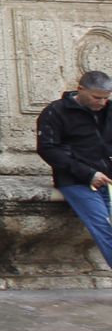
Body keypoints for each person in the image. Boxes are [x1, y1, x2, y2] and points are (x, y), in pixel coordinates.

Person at [36, 71, 112, 269]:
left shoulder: (108, 110)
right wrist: (88, 174)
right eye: (97, 97)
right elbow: (48, 149)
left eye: (106, 98)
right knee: (105, 229)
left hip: (108, 179)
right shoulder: (56, 111)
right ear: (80, 89)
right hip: (77, 180)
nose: (102, 103)